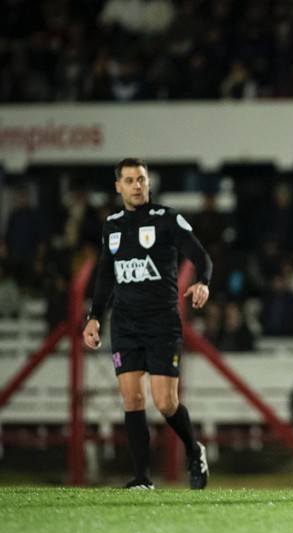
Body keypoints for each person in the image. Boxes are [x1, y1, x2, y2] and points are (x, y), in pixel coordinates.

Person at [83, 157, 212, 490]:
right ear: (118, 187)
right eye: (129, 180)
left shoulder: (166, 219)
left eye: (141, 179)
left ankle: (193, 450)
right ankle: (142, 478)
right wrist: (94, 316)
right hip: (125, 324)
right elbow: (105, 276)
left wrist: (203, 282)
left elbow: (200, 255)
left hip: (162, 322)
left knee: (165, 402)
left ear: (149, 182)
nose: (136, 185)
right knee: (132, 400)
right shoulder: (112, 225)